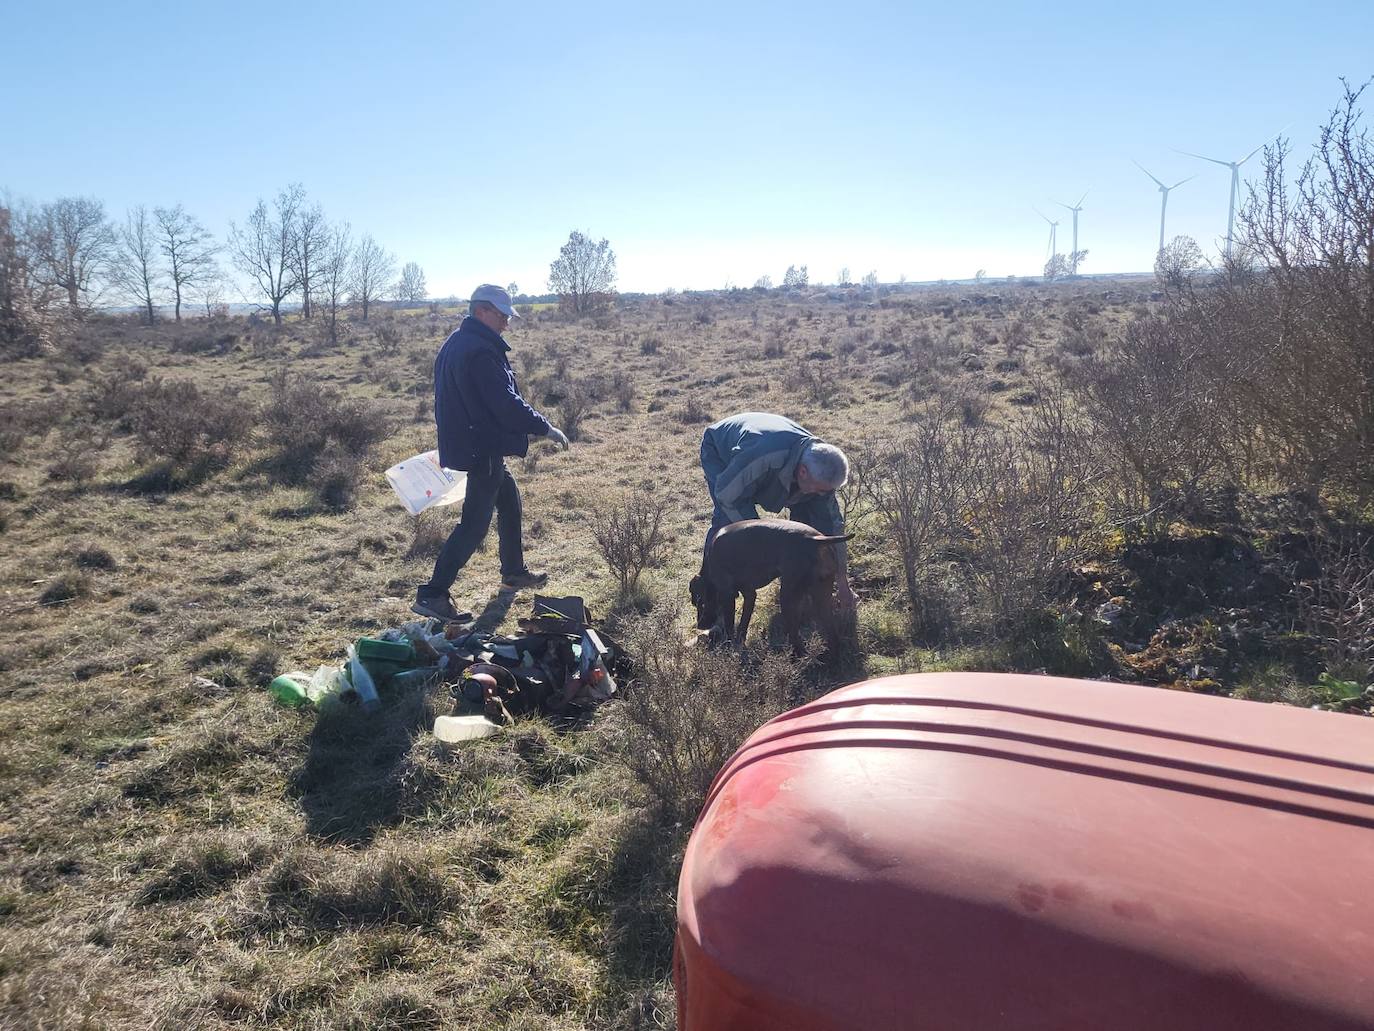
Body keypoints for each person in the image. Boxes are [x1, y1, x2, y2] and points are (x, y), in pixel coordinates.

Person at [412, 284, 570, 623]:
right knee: (473, 525)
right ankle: (433, 594)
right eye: (501, 316)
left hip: (475, 443)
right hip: (480, 447)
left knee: (509, 499)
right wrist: (544, 427)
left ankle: (513, 571)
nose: (506, 324)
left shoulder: (458, 342)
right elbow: (505, 404)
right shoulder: (481, 351)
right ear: (481, 311)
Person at [699, 411, 858, 610]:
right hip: (723, 451)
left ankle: (801, 590)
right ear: (802, 472)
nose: (821, 495)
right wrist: (760, 541)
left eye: (826, 491)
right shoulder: (763, 457)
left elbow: (831, 529)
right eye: (819, 490)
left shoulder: (821, 467)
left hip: (766, 460)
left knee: (809, 527)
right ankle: (713, 603)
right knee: (729, 529)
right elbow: (727, 495)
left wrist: (842, 582)